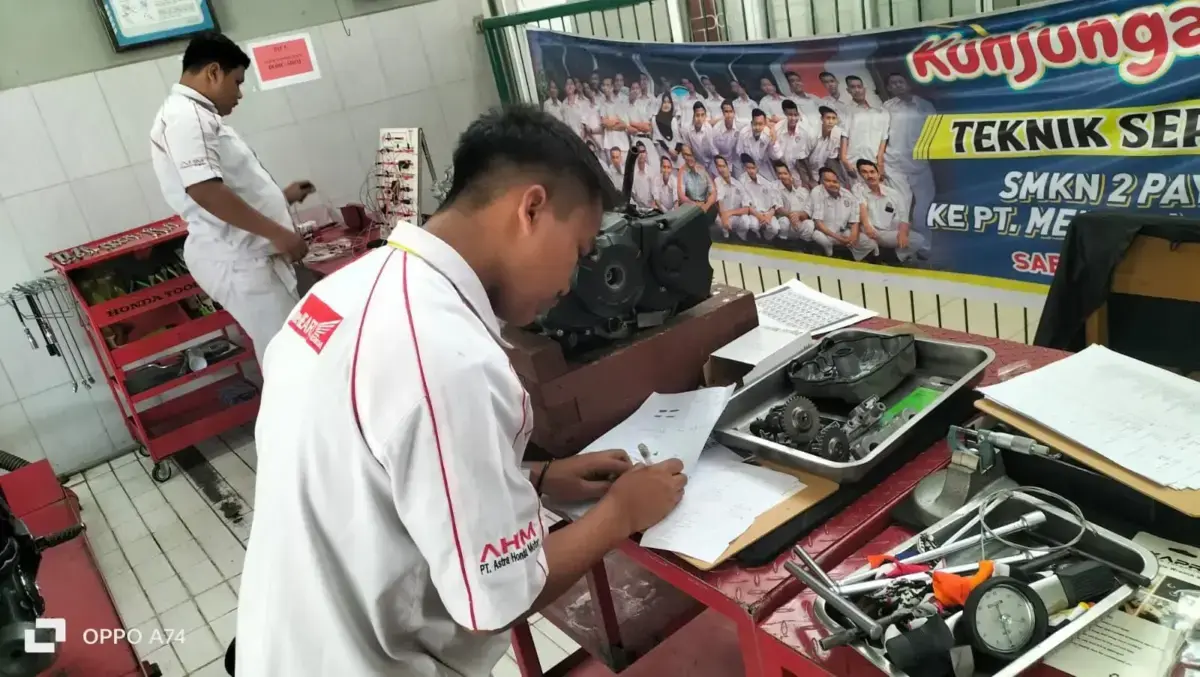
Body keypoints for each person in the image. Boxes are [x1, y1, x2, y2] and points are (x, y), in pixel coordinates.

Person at [235, 106, 688, 676]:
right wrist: (622, 512)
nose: (571, 281)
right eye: (578, 251)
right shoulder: (447, 358)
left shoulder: (346, 292)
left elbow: (378, 473)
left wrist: (535, 477)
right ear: (531, 208)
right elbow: (497, 600)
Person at [149, 32, 316, 367]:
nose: (239, 94)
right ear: (213, 72)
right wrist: (279, 233)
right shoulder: (187, 117)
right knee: (288, 357)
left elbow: (225, 186)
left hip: (246, 253)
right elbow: (205, 191)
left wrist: (280, 198)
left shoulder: (197, 115)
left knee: (292, 349)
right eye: (237, 82)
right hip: (238, 258)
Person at [882, 72, 935, 252]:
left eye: (900, 81)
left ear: (908, 84)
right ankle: (902, 248)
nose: (897, 85)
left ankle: (924, 245)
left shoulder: (925, 106)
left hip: (919, 164)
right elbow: (881, 135)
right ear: (889, 88)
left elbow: (934, 134)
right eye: (893, 83)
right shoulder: (887, 107)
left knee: (924, 207)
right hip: (894, 164)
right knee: (900, 208)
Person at [854, 159, 924, 262]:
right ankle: (888, 258)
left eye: (872, 172)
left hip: (890, 230)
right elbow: (862, 207)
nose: (869, 175)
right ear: (860, 175)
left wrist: (903, 233)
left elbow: (903, 215)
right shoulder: (858, 188)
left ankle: (892, 257)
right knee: (913, 239)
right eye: (864, 172)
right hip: (874, 231)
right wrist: (867, 226)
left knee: (918, 239)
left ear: (878, 174)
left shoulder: (892, 193)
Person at [809, 167, 877, 260]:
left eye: (835, 181)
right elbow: (819, 224)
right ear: (821, 182)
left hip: (842, 233)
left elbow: (854, 220)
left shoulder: (847, 194)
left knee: (870, 244)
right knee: (821, 239)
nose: (832, 184)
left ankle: (849, 257)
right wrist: (840, 238)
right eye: (828, 181)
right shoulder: (817, 192)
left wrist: (853, 237)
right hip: (823, 233)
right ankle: (828, 256)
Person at [840, 75, 889, 184]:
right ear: (848, 90)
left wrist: (880, 162)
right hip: (853, 162)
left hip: (874, 161)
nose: (857, 90)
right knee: (859, 193)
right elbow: (844, 136)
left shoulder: (881, 112)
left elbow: (883, 138)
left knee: (879, 191)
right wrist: (844, 160)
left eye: (859, 86)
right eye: (853, 87)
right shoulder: (846, 110)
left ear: (864, 89)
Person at [772, 163, 818, 245]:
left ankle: (803, 246)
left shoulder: (803, 191)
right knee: (784, 221)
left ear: (790, 175)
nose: (783, 176)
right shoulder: (775, 189)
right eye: (780, 174)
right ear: (776, 176)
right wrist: (792, 216)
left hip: (799, 223)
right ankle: (782, 244)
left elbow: (807, 212)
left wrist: (798, 215)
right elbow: (779, 209)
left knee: (810, 224)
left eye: (785, 173)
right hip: (787, 224)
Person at [738, 155, 781, 241]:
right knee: (753, 225)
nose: (751, 171)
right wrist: (760, 216)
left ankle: (766, 238)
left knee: (775, 228)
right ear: (745, 168)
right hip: (753, 213)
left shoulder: (766, 182)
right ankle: (752, 237)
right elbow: (746, 203)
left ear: (757, 168)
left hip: (767, 213)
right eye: (748, 168)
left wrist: (768, 216)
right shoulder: (742, 180)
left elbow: (774, 203)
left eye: (753, 168)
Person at [770, 99, 812, 181]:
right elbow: (774, 155)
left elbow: (805, 157)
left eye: (795, 115)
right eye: (790, 115)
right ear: (785, 114)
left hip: (800, 168)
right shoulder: (777, 129)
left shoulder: (805, 130)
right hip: (782, 169)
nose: (793, 118)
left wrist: (809, 178)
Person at [712, 155, 751, 239]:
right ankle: (726, 236)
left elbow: (746, 209)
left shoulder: (738, 184)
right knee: (718, 221)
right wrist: (725, 217)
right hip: (723, 215)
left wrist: (730, 213)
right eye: (719, 167)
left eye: (723, 166)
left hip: (736, 215)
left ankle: (741, 236)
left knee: (746, 220)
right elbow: (719, 201)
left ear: (728, 167)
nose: (721, 169)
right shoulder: (717, 181)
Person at [807, 106, 845, 185]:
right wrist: (810, 180)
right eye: (828, 118)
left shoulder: (836, 137)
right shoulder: (812, 134)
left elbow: (831, 161)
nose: (830, 122)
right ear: (822, 119)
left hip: (819, 174)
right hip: (804, 172)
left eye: (833, 118)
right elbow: (801, 160)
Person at [737, 109, 777, 180]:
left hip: (764, 168)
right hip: (748, 168)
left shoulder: (768, 134)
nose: (757, 128)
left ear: (765, 124)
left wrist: (773, 141)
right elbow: (740, 152)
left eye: (760, 124)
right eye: (755, 124)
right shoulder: (744, 133)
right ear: (751, 123)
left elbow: (775, 156)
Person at [677, 145, 716, 212]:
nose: (690, 158)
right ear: (683, 156)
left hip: (705, 206)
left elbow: (713, 192)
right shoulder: (682, 172)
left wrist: (706, 206)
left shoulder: (703, 169)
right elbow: (681, 196)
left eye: (691, 155)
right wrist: (696, 205)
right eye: (686, 155)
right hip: (690, 209)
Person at [782, 70, 822, 135]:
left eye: (798, 80)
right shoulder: (790, 101)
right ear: (789, 85)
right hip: (808, 135)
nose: (797, 83)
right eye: (792, 81)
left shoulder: (812, 97)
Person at [681, 102, 716, 174]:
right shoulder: (687, 131)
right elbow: (689, 149)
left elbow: (713, 148)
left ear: (705, 116)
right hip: (697, 164)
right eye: (697, 115)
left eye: (702, 115)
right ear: (693, 115)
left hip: (711, 164)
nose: (700, 119)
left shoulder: (708, 128)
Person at [598, 77, 630, 152]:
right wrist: (616, 121)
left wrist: (610, 125)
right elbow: (604, 123)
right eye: (603, 85)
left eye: (607, 85)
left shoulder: (621, 103)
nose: (605, 88)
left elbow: (625, 125)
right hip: (609, 144)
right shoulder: (602, 104)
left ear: (612, 87)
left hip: (622, 144)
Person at [651, 94, 683, 168]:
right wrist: (669, 151)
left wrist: (676, 152)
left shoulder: (674, 120)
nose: (666, 105)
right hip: (663, 153)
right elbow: (658, 138)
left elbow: (678, 138)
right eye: (664, 102)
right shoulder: (655, 119)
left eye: (669, 102)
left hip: (676, 156)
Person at [711, 99, 742, 170]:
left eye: (731, 111)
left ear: (734, 112)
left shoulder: (740, 125)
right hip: (721, 162)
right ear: (722, 113)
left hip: (737, 162)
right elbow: (714, 149)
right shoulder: (716, 129)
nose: (729, 115)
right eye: (726, 111)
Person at [629, 142, 657, 211]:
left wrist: (654, 205)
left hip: (652, 207)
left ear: (646, 153)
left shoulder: (651, 171)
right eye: (639, 152)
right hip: (638, 209)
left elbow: (655, 192)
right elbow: (632, 195)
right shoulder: (632, 172)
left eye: (643, 151)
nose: (641, 154)